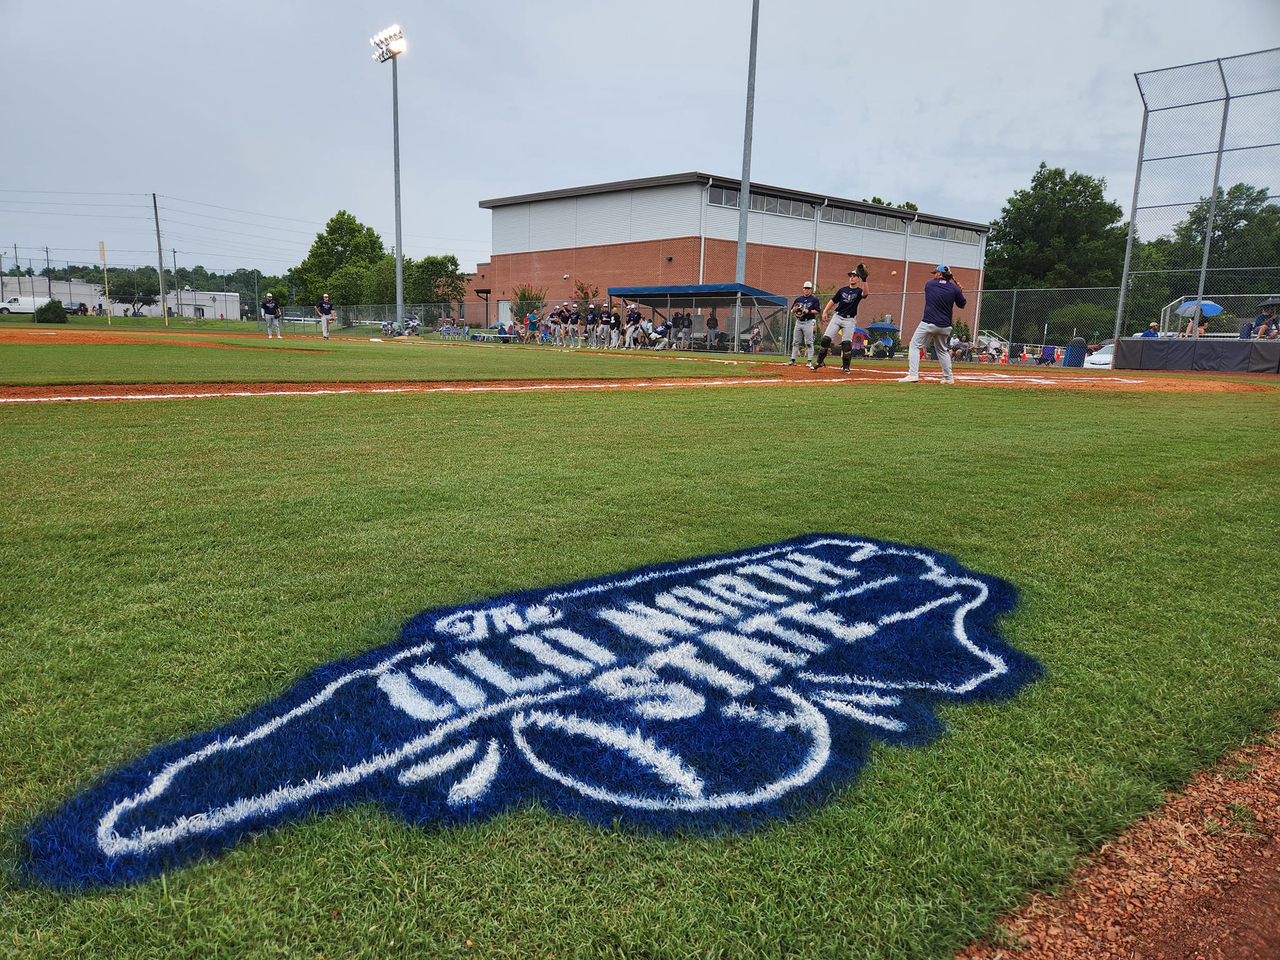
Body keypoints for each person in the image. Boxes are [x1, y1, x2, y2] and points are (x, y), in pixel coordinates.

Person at [898, 265, 965, 384]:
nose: (934, 275)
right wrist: (959, 291)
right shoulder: (954, 289)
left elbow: (939, 288)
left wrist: (956, 290)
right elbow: (962, 305)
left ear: (939, 274)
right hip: (945, 326)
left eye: (936, 273)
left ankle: (913, 375)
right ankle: (949, 378)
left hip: (929, 323)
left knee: (915, 345)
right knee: (942, 351)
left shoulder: (929, 284)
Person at [813, 264, 869, 375]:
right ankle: (819, 362)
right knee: (825, 339)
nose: (852, 277)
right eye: (851, 276)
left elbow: (866, 293)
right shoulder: (843, 289)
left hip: (849, 320)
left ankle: (846, 367)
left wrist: (865, 279)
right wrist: (824, 311)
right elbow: (833, 301)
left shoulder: (858, 291)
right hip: (837, 316)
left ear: (858, 279)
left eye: (854, 276)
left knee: (846, 343)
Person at [788, 280, 820, 365]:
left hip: (808, 322)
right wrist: (794, 310)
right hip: (799, 321)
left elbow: (817, 311)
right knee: (795, 342)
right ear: (803, 289)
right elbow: (792, 310)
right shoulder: (799, 299)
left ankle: (809, 361)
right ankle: (793, 360)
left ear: (811, 290)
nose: (807, 290)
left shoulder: (814, 299)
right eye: (805, 288)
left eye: (808, 288)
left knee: (809, 342)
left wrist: (808, 311)